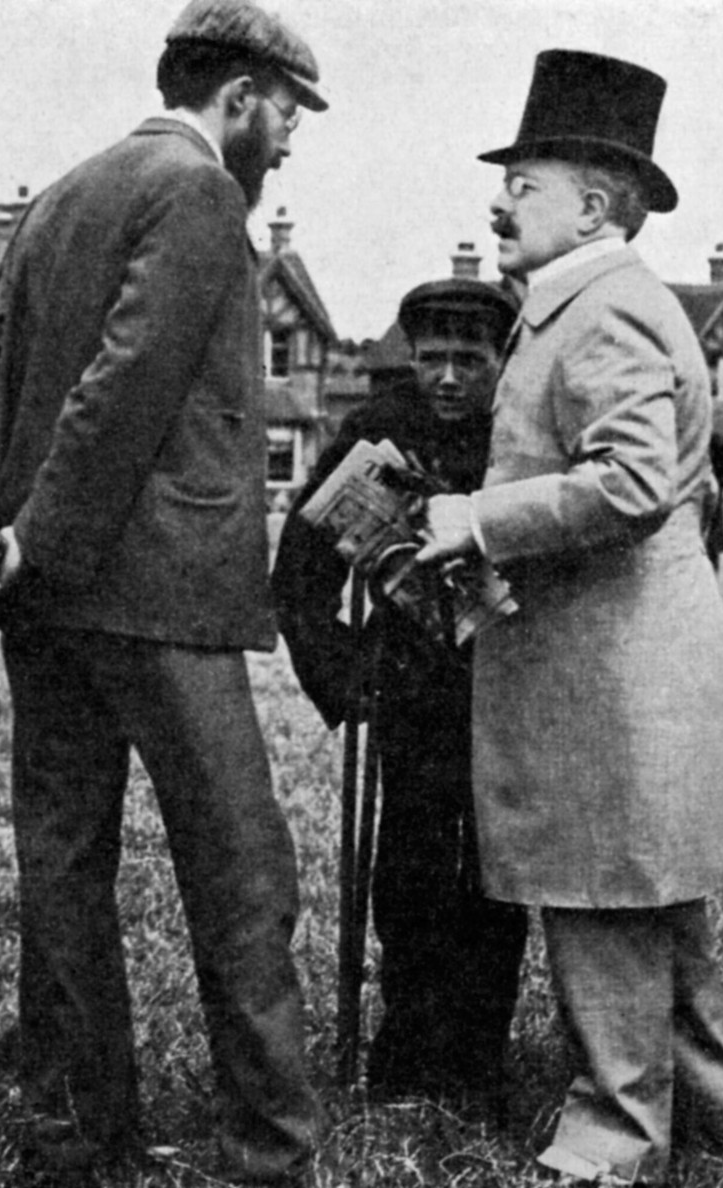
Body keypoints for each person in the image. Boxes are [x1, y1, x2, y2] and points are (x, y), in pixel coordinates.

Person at [0, 1, 327, 1178]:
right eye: (291, 115)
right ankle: (268, 1150)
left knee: (62, 855)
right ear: (242, 97)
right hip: (157, 598)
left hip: (40, 601)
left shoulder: (62, 194)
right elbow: (124, 391)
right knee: (244, 871)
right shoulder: (198, 191)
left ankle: (76, 1130)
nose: (292, 140)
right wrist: (34, 542)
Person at [412, 49, 723, 1185]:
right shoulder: (600, 300)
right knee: (658, 888)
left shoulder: (599, 311)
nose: (499, 202)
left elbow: (631, 482)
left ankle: (617, 1133)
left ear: (595, 206)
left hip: (608, 672)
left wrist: (476, 519)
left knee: (603, 890)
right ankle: (712, 1094)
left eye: (524, 185)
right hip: (640, 661)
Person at [270, 275, 528, 1113]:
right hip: (411, 687)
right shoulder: (375, 431)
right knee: (412, 866)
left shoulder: (526, 437)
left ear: (500, 360)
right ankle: (406, 1044)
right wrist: (346, 675)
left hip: (508, 684)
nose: (449, 379)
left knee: (496, 875)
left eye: (469, 360)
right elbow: (300, 574)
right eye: (432, 360)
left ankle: (478, 1058)